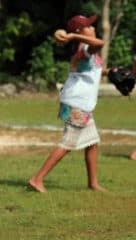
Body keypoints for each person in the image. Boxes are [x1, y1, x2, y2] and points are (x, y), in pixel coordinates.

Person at [28, 15, 107, 193]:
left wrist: (110, 72)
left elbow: (89, 72)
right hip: (77, 104)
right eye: (88, 26)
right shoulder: (85, 49)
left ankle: (93, 183)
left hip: (82, 103)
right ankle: (37, 179)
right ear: (79, 32)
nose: (93, 28)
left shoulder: (84, 51)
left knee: (92, 142)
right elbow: (100, 43)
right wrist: (73, 36)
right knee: (69, 143)